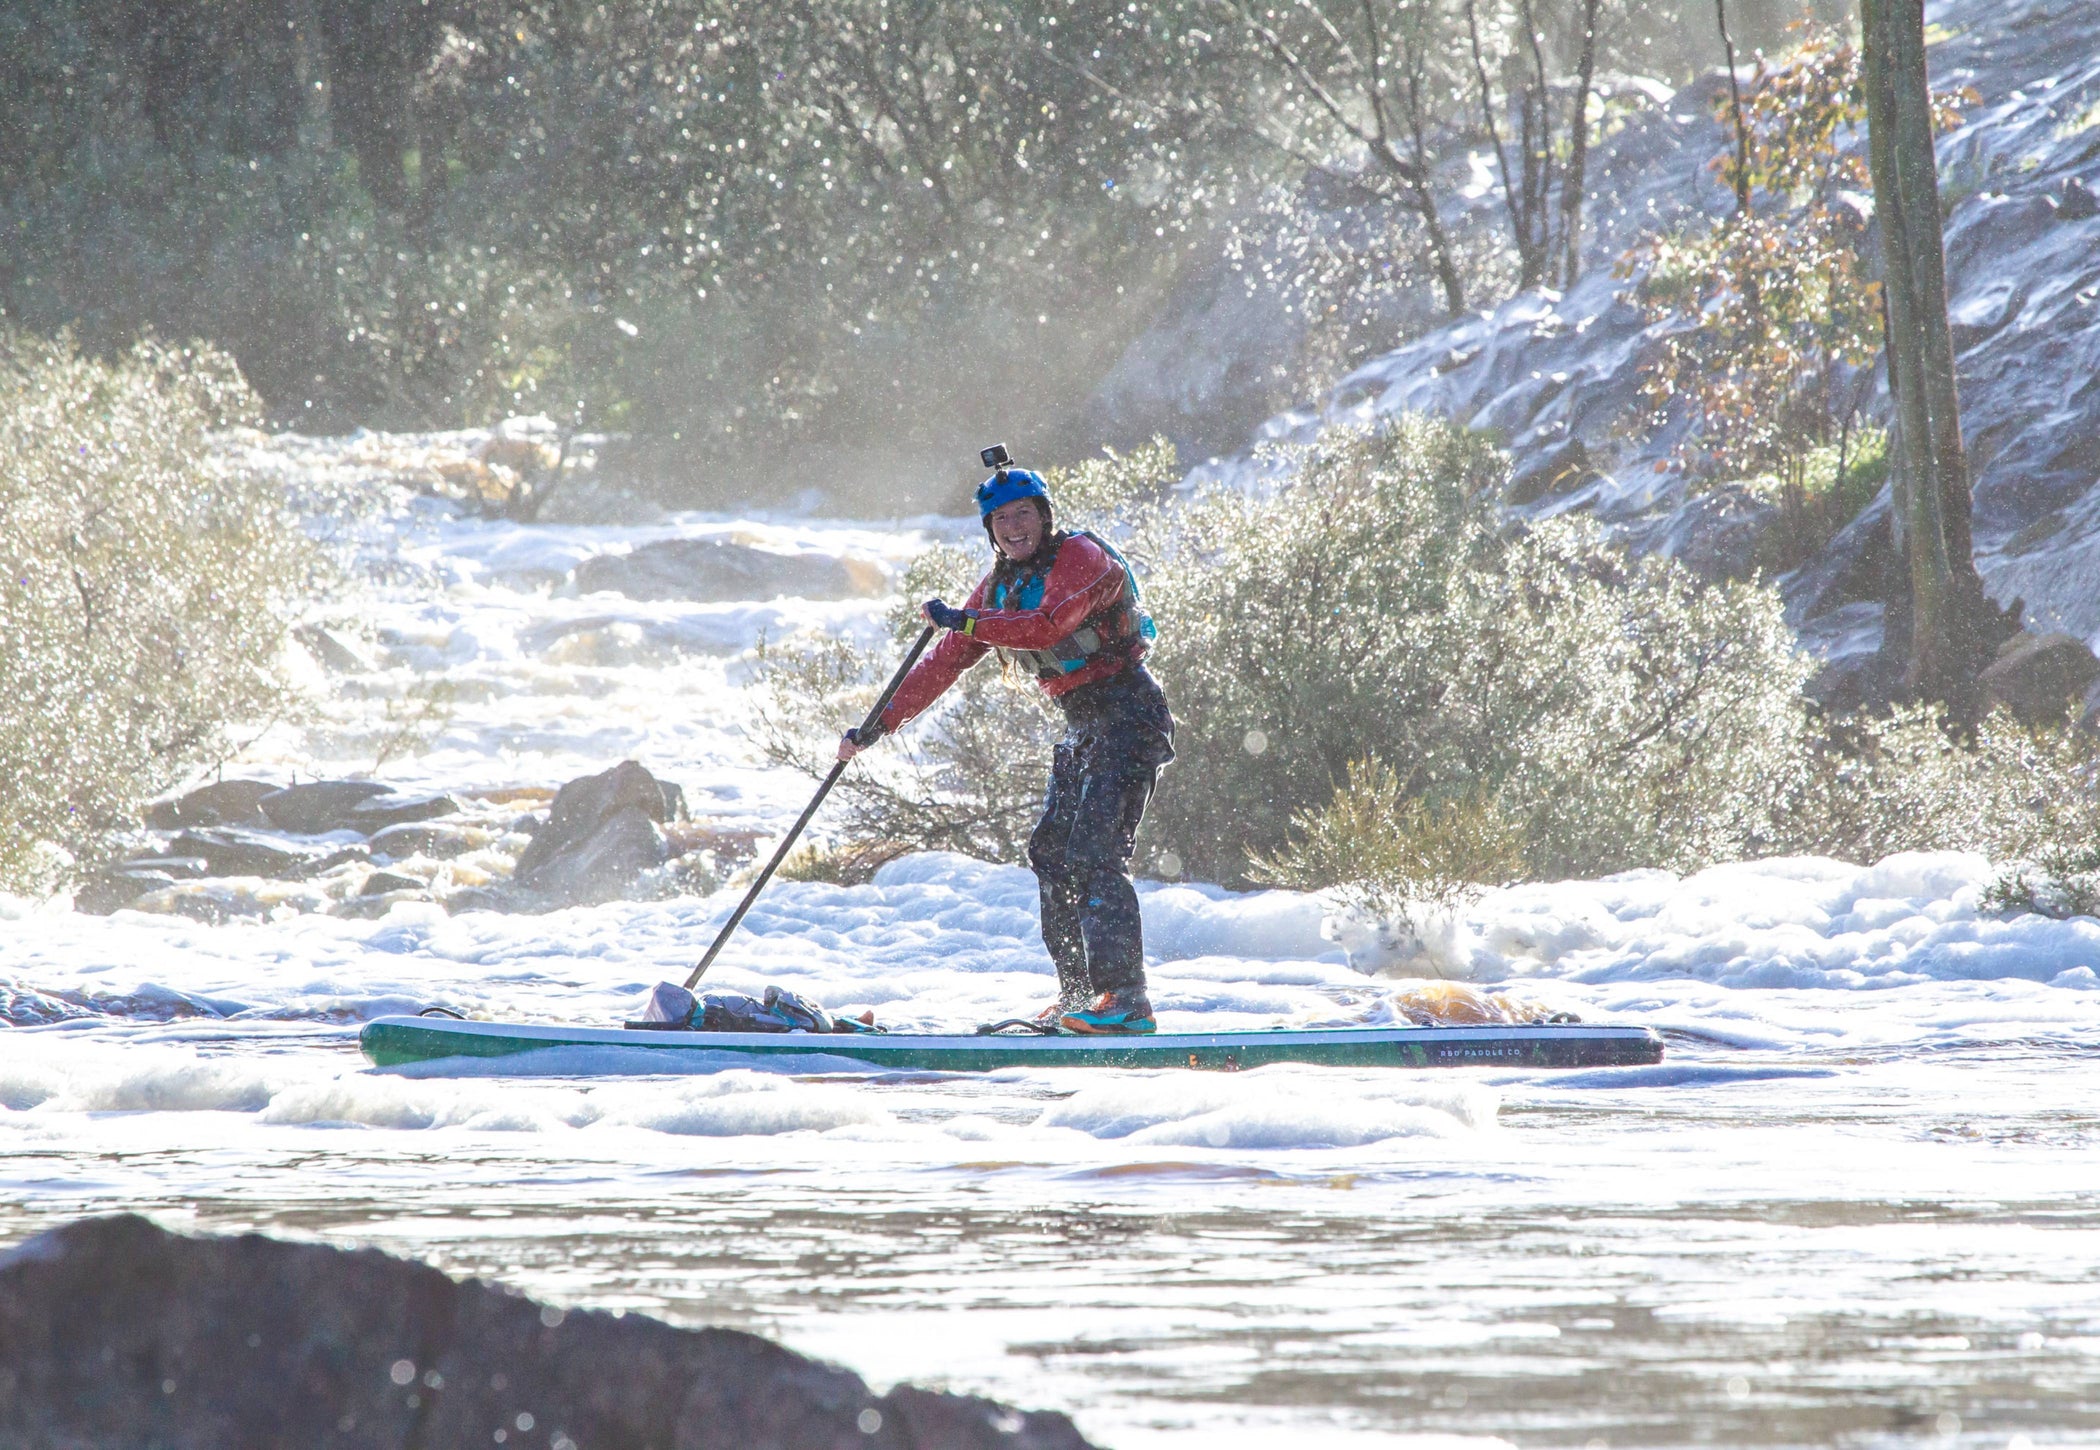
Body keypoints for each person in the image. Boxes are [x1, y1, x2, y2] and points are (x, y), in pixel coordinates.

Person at [835, 458, 1174, 1035]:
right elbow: (945, 662)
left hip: (1130, 715)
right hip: (1084, 726)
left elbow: (1047, 625)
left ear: (1044, 516)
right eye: (1001, 520)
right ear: (990, 530)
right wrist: (877, 725)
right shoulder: (1000, 586)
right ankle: (1078, 998)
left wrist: (965, 621)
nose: (1014, 527)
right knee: (1052, 854)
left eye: (1023, 514)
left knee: (1094, 853)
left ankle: (1126, 1001)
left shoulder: (1080, 559)